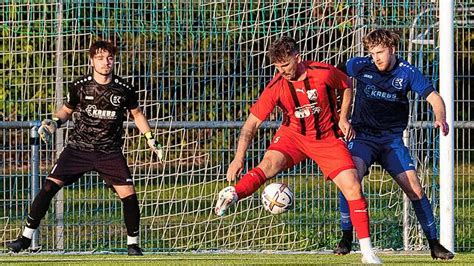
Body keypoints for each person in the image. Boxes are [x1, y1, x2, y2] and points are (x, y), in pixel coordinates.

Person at [214, 36, 381, 264]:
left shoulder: (323, 72)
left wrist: (343, 118)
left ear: (297, 57)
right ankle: (232, 194)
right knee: (268, 165)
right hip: (293, 136)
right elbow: (251, 124)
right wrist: (238, 158)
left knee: (353, 186)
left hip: (327, 139)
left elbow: (347, 86)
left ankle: (367, 252)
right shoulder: (276, 87)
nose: (282, 71)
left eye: (285, 65)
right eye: (277, 67)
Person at [6, 40, 162, 256]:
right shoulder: (79, 85)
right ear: (92, 61)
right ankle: (24, 239)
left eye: (109, 58)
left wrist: (150, 137)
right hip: (78, 149)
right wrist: (53, 123)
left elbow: (136, 114)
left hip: (109, 150)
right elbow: (66, 111)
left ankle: (133, 244)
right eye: (100, 58)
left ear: (114, 60)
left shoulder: (124, 88)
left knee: (129, 196)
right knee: (49, 188)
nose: (105, 62)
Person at [333, 29, 454, 260]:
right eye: (372, 52)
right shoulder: (360, 64)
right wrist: (341, 112)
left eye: (380, 52)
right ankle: (346, 236)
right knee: (350, 177)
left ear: (392, 50)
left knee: (415, 189)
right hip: (363, 137)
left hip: (391, 141)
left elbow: (434, 98)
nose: (375, 57)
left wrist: (440, 118)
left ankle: (435, 244)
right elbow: (334, 75)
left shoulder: (407, 72)